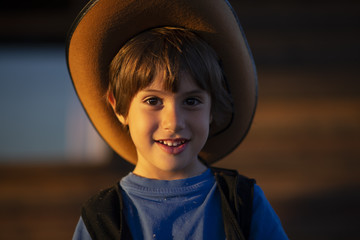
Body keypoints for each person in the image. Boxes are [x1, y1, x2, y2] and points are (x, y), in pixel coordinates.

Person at [67, 0, 288, 239]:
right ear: (119, 106)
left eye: (191, 101)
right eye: (153, 101)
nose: (173, 122)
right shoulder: (101, 218)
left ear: (211, 108)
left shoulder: (243, 203)